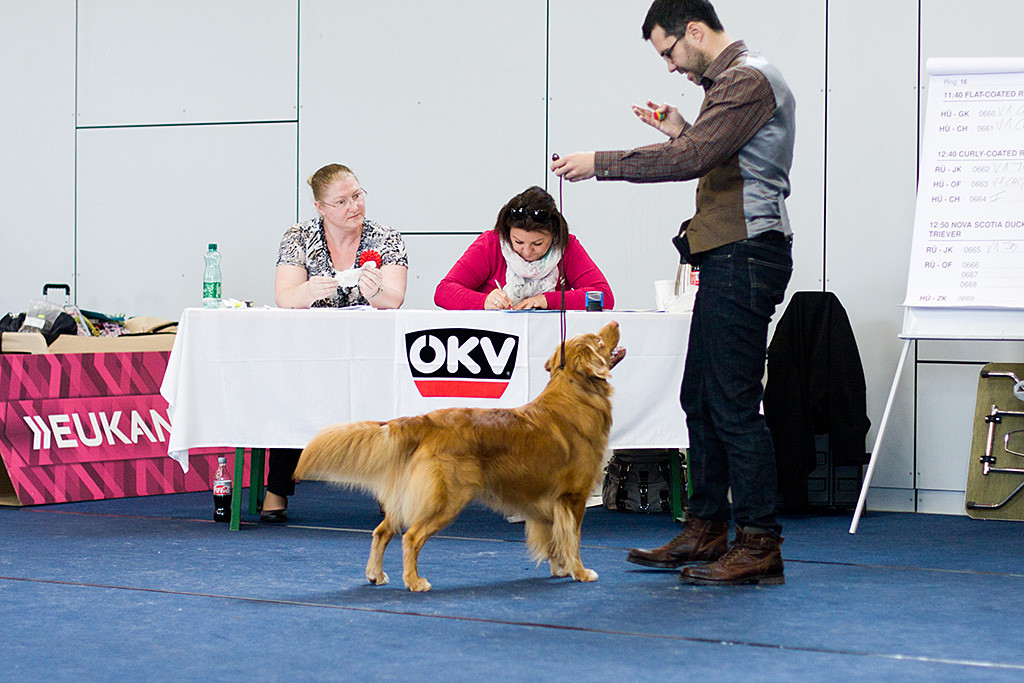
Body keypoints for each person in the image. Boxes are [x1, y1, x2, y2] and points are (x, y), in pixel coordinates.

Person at [552, 0, 795, 585]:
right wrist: (683, 128)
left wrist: (600, 163)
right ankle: (707, 530)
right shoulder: (732, 82)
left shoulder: (746, 78)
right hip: (730, 253)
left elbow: (695, 160)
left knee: (732, 403)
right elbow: (718, 154)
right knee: (701, 399)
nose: (669, 66)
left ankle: (760, 543)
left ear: (694, 30)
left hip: (747, 252)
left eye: (669, 51)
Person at [262, 163, 409, 523]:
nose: (353, 207)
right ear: (320, 208)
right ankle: (277, 488)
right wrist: (308, 290)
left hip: (371, 351)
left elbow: (394, 299)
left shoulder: (386, 236)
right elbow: (285, 296)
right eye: (341, 201)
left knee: (382, 409)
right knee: (291, 395)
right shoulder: (298, 236)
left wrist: (375, 291)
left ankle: (387, 491)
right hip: (311, 352)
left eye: (357, 196)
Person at [434, 186, 614, 311]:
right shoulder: (491, 243)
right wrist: (484, 301)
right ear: (506, 233)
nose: (527, 252)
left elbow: (604, 296)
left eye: (537, 244)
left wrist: (546, 300)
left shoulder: (566, 247)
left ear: (554, 236)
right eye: (518, 242)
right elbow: (443, 292)